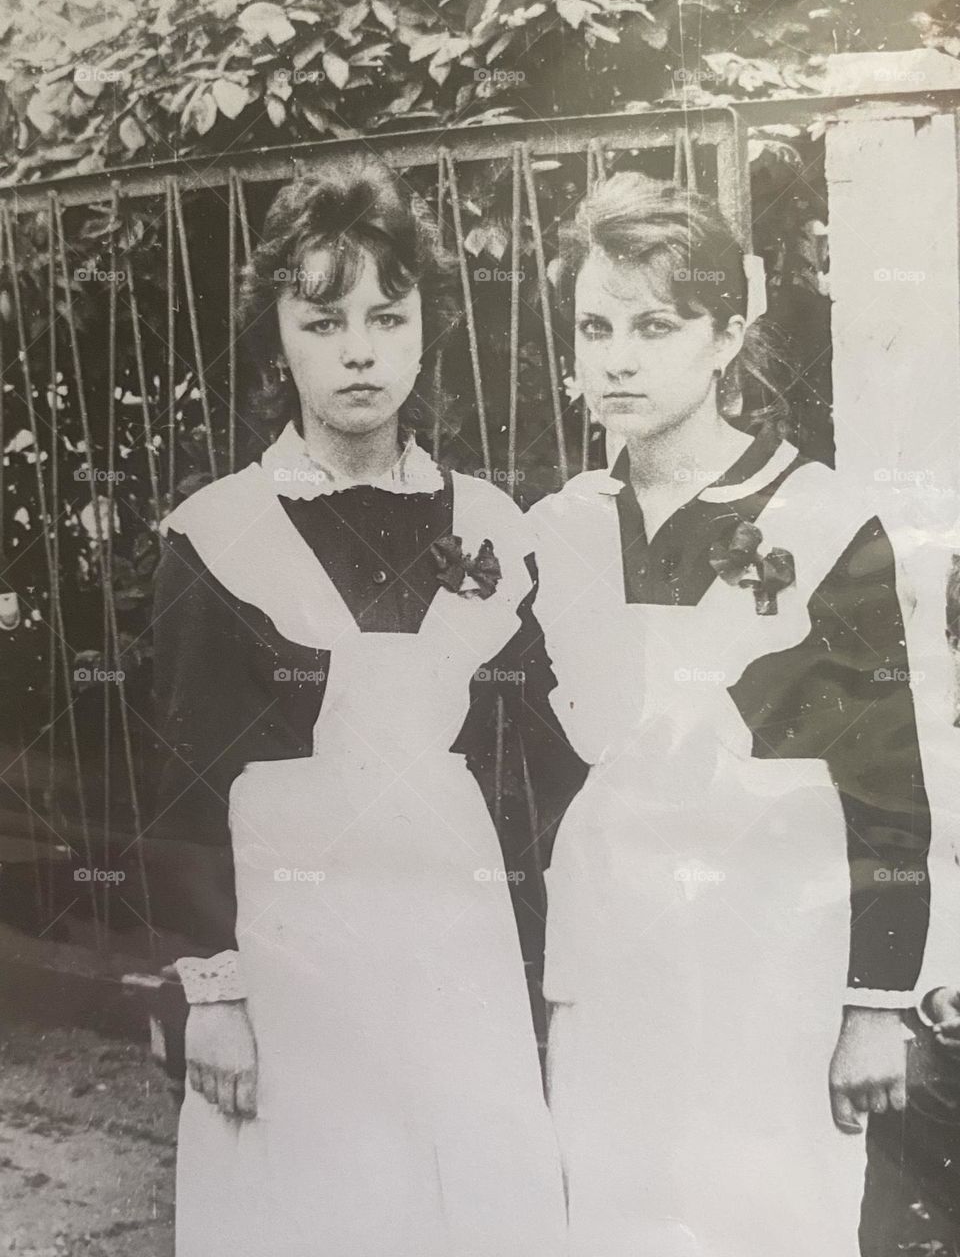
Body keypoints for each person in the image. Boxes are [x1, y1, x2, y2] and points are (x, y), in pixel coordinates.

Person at [150, 157, 567, 1257]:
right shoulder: (220, 532)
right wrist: (217, 994)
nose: (361, 347)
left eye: (389, 314)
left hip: (455, 940)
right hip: (294, 952)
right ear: (277, 337)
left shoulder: (488, 524)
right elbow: (186, 785)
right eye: (323, 319)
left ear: (425, 326)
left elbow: (525, 772)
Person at [528, 172, 935, 1257]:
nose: (618, 355)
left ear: (726, 334)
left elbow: (885, 780)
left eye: (657, 325)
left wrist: (874, 1001)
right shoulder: (559, 529)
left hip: (771, 975)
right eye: (596, 326)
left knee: (772, 1219)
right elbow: (533, 772)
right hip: (612, 965)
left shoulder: (821, 515)